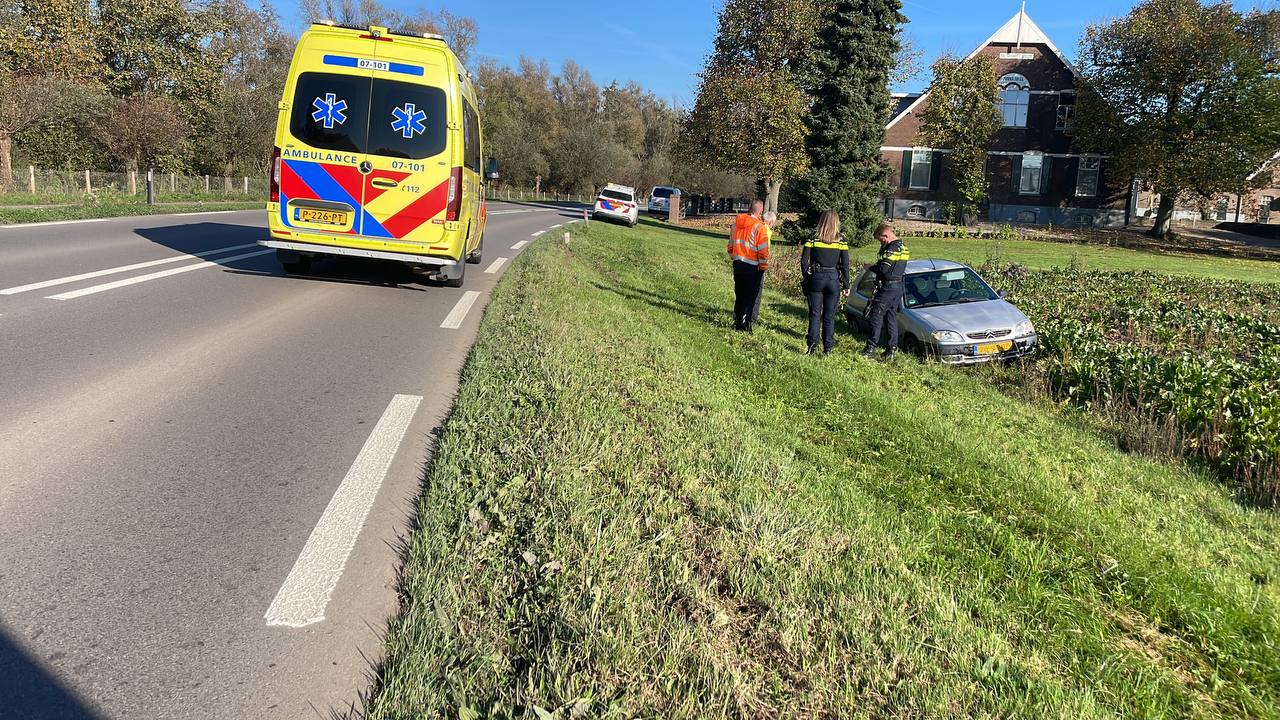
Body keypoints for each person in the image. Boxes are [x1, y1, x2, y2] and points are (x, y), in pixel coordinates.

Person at [800, 209, 850, 355]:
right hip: (833, 278)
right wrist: (846, 284)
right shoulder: (841, 240)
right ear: (836, 222)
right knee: (829, 316)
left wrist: (807, 277)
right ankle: (828, 348)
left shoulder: (813, 238)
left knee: (814, 314)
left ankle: (812, 347)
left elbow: (804, 261)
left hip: (817, 277)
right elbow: (845, 264)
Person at [862, 223, 911, 360]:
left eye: (880, 239)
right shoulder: (903, 247)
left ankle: (870, 348)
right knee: (890, 318)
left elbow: (884, 268)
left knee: (876, 315)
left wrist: (870, 267)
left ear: (886, 235)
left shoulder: (892, 249)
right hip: (898, 286)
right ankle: (891, 350)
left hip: (888, 287)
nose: (880, 242)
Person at [727, 199, 770, 332]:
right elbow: (763, 251)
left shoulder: (736, 225)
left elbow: (730, 247)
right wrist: (763, 267)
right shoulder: (759, 227)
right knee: (750, 297)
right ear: (761, 211)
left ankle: (738, 322)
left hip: (737, 263)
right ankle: (745, 325)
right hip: (752, 266)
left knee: (739, 295)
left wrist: (736, 257)